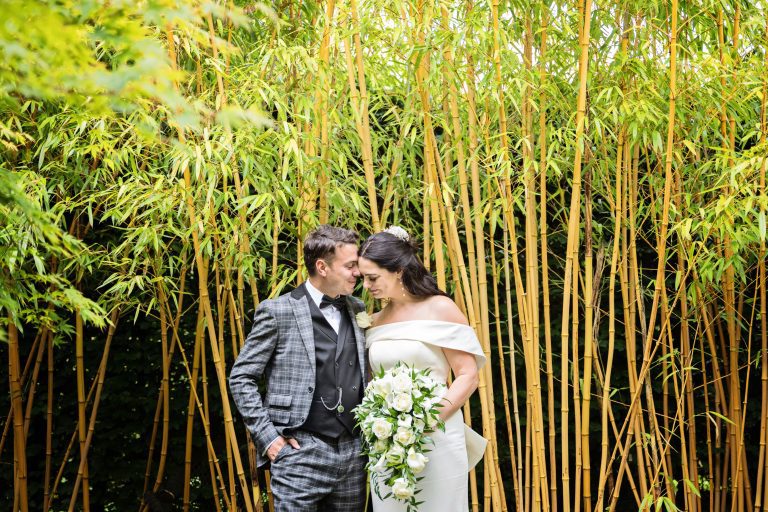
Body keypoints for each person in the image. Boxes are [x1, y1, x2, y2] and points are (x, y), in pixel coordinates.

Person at [229, 225, 367, 512]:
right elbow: (242, 377)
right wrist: (268, 439)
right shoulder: (277, 311)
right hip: (299, 450)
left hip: (354, 453)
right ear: (322, 267)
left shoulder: (358, 309)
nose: (358, 273)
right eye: (351, 265)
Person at [357, 226, 487, 512]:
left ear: (398, 270)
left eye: (372, 277)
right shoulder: (374, 320)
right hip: (388, 439)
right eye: (363, 278)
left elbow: (467, 375)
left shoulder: (441, 308)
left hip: (437, 434)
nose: (366, 286)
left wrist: (425, 422)